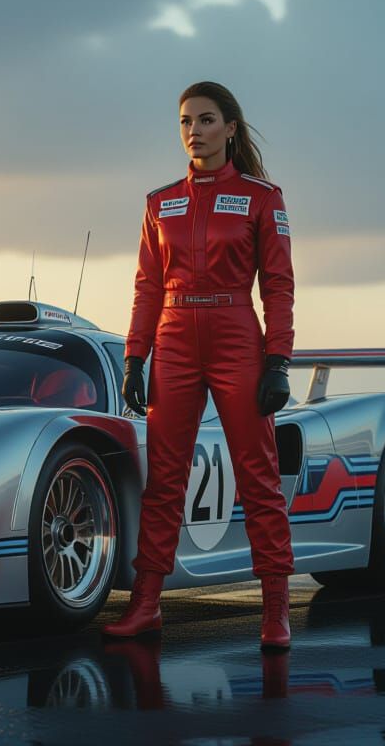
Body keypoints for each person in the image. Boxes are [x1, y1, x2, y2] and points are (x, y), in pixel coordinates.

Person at [102, 81, 295, 652]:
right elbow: (146, 286)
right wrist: (135, 357)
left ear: (230, 128)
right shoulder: (159, 202)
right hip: (174, 337)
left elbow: (279, 286)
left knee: (257, 475)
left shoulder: (263, 196)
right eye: (185, 121)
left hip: (238, 334)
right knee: (164, 479)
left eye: (206, 120)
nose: (194, 131)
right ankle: (145, 605)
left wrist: (278, 359)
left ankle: (275, 610)